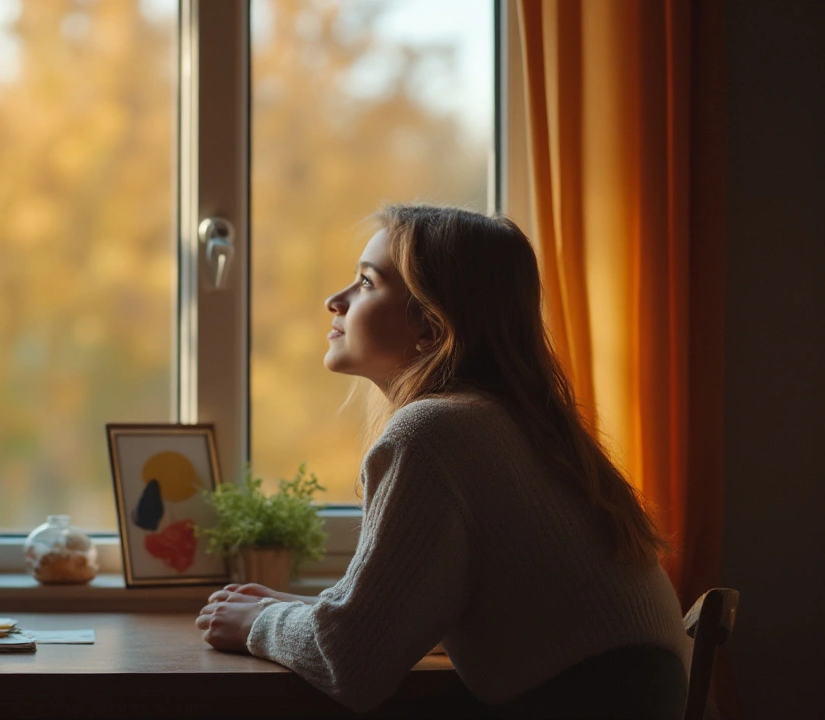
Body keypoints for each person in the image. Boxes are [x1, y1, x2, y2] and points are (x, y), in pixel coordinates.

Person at [194, 205, 689, 718]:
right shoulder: (517, 425)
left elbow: (351, 663)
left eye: (366, 282)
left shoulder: (434, 432)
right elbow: (400, 619)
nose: (334, 301)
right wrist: (300, 612)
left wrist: (260, 623)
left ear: (430, 327)